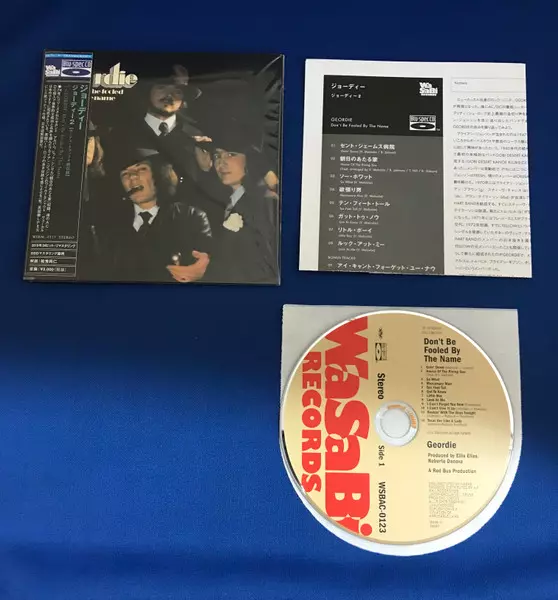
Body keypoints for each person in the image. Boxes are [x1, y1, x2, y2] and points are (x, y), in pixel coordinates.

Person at [94, 149, 213, 283]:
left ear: (158, 174)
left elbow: (210, 262)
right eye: (125, 173)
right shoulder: (108, 224)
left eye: (141, 169)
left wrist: (203, 268)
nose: (132, 177)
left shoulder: (191, 218)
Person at [206, 127, 279, 284]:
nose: (221, 162)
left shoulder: (265, 202)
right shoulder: (223, 204)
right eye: (217, 156)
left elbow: (269, 265)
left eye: (231, 154)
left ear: (250, 160)